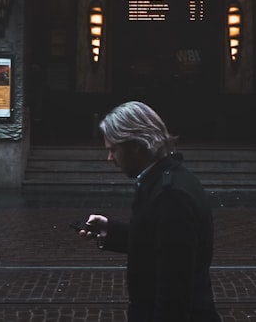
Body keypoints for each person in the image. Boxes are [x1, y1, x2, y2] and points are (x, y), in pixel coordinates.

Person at [75, 101, 221, 322]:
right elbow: (156, 242)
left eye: (113, 149)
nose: (109, 158)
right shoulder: (164, 182)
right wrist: (110, 231)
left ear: (135, 144)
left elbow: (174, 288)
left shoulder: (171, 195)